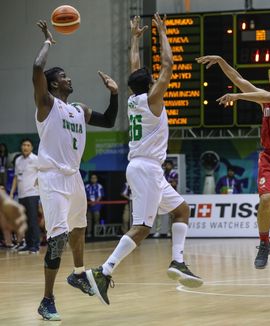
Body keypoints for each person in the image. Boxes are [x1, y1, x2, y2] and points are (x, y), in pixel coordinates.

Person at [86, 14, 202, 307]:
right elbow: (169, 66)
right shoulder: (152, 100)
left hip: (147, 169)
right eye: (152, 79)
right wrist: (163, 32)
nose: (154, 79)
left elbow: (135, 70)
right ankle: (103, 271)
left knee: (182, 210)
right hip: (146, 168)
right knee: (142, 228)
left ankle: (177, 261)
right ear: (150, 84)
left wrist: (136, 39)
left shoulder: (133, 98)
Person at [33, 21, 119, 320]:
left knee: (79, 228)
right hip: (52, 176)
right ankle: (46, 300)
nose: (69, 79)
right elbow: (36, 68)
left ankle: (79, 274)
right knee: (57, 239)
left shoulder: (79, 109)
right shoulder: (46, 104)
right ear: (54, 84)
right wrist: (47, 42)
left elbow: (108, 121)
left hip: (73, 176)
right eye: (64, 77)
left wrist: (114, 94)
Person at [196, 55, 270, 287]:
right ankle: (264, 243)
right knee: (266, 198)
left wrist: (238, 96)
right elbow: (238, 78)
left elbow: (267, 96)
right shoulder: (264, 99)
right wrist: (220, 60)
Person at [9, 138, 41, 254]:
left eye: (28, 145)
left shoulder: (36, 159)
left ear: (31, 148)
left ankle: (35, 246)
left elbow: (42, 174)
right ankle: (28, 244)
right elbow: (16, 177)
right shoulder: (18, 160)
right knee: (25, 221)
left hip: (32, 194)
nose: (25, 147)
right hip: (21, 195)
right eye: (23, 145)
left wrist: (37, 186)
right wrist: (12, 192)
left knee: (33, 221)